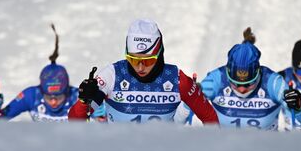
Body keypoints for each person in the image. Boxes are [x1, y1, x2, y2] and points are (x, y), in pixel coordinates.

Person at [68, 19, 219, 124]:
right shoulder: (112, 75)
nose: (140, 67)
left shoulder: (177, 80)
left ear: (159, 55)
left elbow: (209, 117)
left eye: (148, 61)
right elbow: (75, 122)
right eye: (133, 59)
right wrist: (83, 101)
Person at [176, 28, 301, 130]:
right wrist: (190, 100)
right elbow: (176, 123)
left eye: (249, 83)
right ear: (227, 74)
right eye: (235, 83)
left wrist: (300, 108)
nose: (242, 89)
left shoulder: (272, 82)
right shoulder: (216, 80)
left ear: (258, 73)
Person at [0, 24, 79, 122]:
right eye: (48, 97)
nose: (53, 102)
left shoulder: (78, 97)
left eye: (59, 97)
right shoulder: (31, 96)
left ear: (67, 91)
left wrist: (97, 109)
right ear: (41, 91)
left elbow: (97, 120)